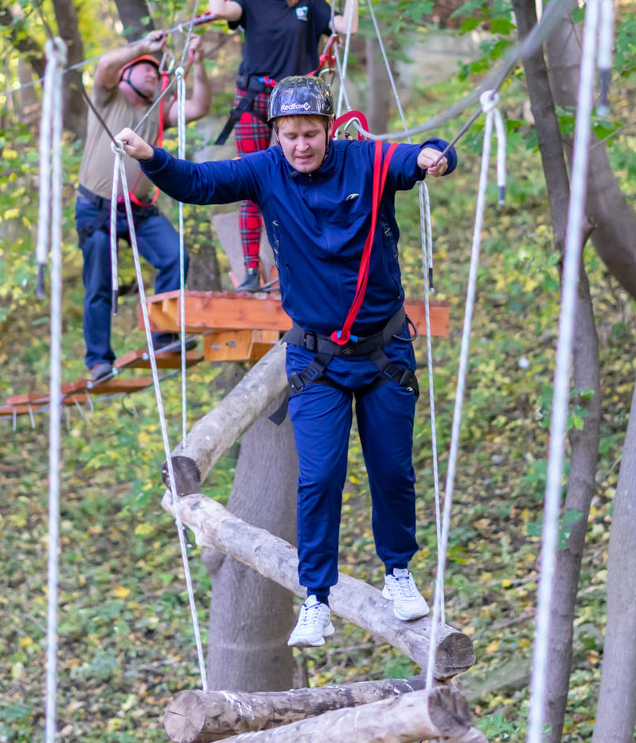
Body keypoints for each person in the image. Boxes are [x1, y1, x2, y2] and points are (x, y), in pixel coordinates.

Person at [114, 76, 458, 649]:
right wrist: (151, 156)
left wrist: (434, 157)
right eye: (290, 135)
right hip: (316, 360)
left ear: (329, 131)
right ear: (276, 136)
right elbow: (198, 183)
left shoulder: (368, 162)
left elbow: (426, 157)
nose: (300, 145)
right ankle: (316, 597)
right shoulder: (265, 170)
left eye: (310, 134)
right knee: (319, 476)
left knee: (393, 472)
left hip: (384, 353)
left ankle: (399, 571)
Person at [206, 0, 363, 293]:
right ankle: (250, 269)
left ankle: (300, 264)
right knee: (249, 181)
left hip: (295, 106)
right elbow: (217, 9)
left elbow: (347, 26)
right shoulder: (251, 3)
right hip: (253, 100)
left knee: (293, 181)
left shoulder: (310, 2)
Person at [76, 30, 211, 385]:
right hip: (96, 209)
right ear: (127, 74)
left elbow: (199, 107)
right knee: (100, 283)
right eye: (145, 69)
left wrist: (197, 66)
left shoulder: (158, 111)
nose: (153, 73)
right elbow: (105, 64)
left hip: (138, 211)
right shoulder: (107, 97)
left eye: (156, 70)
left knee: (175, 257)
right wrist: (143, 48)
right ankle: (98, 361)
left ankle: (164, 339)